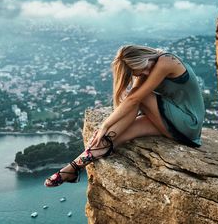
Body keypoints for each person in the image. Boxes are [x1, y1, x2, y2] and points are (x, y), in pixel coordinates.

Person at [44, 44, 205, 187]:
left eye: (145, 67)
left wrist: (104, 125)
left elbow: (134, 99)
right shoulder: (143, 71)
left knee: (140, 98)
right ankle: (72, 168)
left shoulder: (166, 61)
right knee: (111, 140)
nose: (147, 73)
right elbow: (131, 98)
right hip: (171, 122)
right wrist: (106, 130)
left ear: (146, 56)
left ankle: (75, 165)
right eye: (140, 73)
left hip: (188, 123)